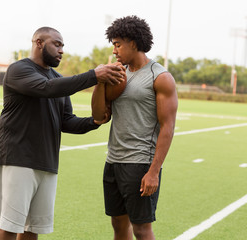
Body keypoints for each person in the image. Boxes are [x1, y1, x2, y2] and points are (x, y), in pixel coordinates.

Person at [0, 26, 125, 240]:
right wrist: (93, 75)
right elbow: (46, 88)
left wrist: (94, 121)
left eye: (63, 46)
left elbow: (66, 121)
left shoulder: (57, 79)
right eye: (57, 44)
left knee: (33, 228)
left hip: (47, 162)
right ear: (39, 43)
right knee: (10, 226)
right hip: (18, 159)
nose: (61, 51)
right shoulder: (19, 70)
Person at [92, 16, 178, 240]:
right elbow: (100, 115)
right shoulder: (117, 74)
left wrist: (153, 172)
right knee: (119, 227)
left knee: (141, 229)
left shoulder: (160, 77)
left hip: (140, 163)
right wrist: (100, 82)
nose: (114, 51)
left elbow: (167, 127)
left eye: (118, 44)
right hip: (113, 161)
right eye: (113, 45)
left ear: (133, 42)